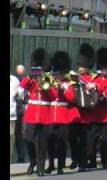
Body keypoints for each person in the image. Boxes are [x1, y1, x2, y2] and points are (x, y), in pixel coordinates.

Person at [20, 48, 51, 176]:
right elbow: (22, 85)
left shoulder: (48, 78)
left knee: (42, 143)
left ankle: (41, 168)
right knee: (28, 138)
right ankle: (33, 161)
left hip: (44, 115)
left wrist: (46, 87)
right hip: (32, 115)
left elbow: (53, 96)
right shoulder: (31, 80)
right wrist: (30, 76)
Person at [45, 51, 75, 175]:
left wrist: (62, 90)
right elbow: (49, 97)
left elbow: (71, 98)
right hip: (51, 117)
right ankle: (51, 164)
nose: (57, 76)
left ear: (63, 74)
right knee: (50, 142)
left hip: (63, 117)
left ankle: (60, 166)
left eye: (59, 74)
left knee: (61, 144)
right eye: (56, 74)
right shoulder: (50, 84)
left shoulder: (68, 85)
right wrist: (51, 88)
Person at [68, 43, 96, 172]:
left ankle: (82, 163)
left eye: (83, 67)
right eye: (79, 66)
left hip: (86, 116)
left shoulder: (91, 78)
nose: (81, 69)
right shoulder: (72, 78)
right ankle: (75, 159)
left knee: (85, 141)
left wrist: (90, 87)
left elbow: (96, 92)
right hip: (74, 114)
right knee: (73, 139)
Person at [87, 47, 107, 169]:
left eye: (106, 68)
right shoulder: (94, 78)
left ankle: (104, 161)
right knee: (92, 139)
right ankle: (92, 160)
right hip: (95, 114)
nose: (104, 70)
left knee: (104, 139)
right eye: (102, 68)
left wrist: (100, 92)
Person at [15, 65, 28, 163]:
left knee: (23, 133)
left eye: (21, 72)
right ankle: (21, 156)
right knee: (18, 134)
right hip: (16, 109)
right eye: (18, 73)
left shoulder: (26, 80)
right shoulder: (15, 81)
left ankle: (24, 155)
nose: (20, 74)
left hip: (24, 108)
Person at [10, 74, 22, 163]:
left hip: (11, 114)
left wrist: (18, 93)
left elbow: (21, 94)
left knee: (11, 137)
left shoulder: (14, 79)